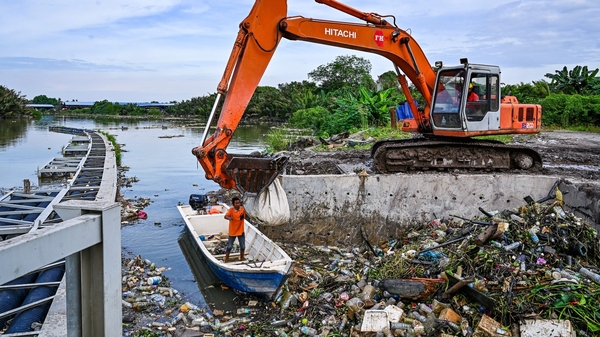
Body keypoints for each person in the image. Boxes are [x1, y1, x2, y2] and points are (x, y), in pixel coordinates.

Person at [223, 197, 246, 263]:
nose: (238, 204)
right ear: (233, 204)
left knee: (243, 246)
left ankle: (242, 258)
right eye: (236, 203)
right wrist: (229, 218)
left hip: (240, 231)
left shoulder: (242, 209)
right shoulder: (231, 210)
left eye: (239, 203)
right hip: (233, 232)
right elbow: (225, 216)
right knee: (229, 246)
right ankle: (226, 259)